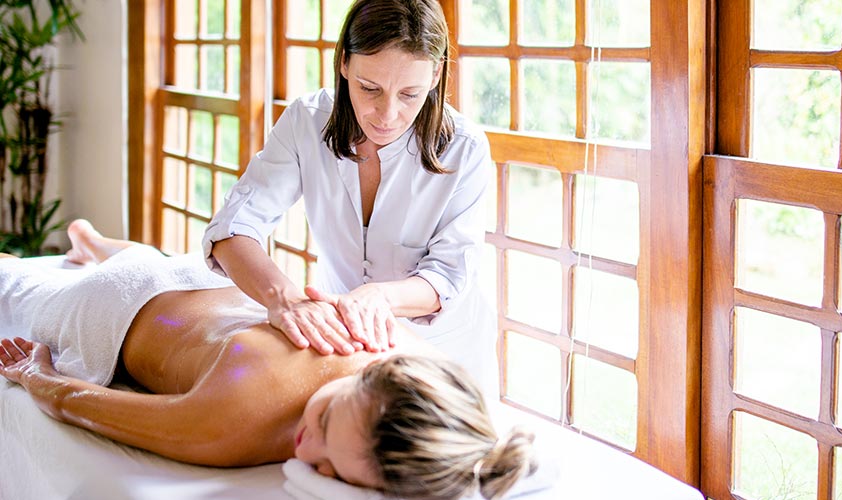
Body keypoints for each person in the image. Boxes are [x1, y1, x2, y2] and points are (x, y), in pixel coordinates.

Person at [0, 220, 535, 500]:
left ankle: (93, 243)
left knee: (153, 264)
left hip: (202, 280)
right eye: (326, 419)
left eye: (332, 472)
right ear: (377, 376)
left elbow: (471, 438)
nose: (309, 449)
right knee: (14, 283)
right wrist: (36, 374)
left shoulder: (411, 358)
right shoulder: (235, 422)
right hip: (111, 309)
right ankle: (87, 258)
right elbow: (77, 403)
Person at [201, 0, 498, 396]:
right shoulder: (306, 121)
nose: (387, 114)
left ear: (435, 74)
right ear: (344, 62)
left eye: (410, 94)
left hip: (444, 352)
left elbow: (446, 276)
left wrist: (378, 296)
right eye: (369, 88)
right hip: (347, 346)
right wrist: (284, 299)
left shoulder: (465, 148)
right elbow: (233, 228)